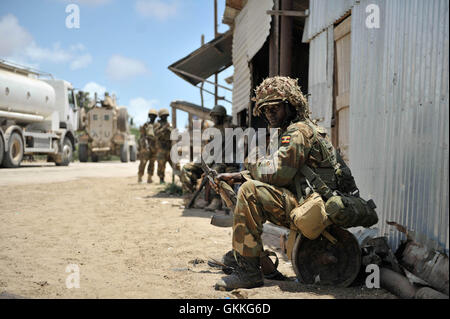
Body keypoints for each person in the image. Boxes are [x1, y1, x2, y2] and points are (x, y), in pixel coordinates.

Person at [211, 76, 357, 291]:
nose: (269, 114)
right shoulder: (291, 131)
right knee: (247, 185)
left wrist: (250, 162)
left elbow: (277, 174)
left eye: (275, 108)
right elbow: (277, 170)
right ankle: (245, 256)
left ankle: (249, 273)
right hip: (307, 201)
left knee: (250, 192)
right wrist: (238, 176)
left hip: (313, 206)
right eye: (265, 110)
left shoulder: (297, 133)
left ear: (291, 105)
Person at [155, 108, 180, 184]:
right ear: (160, 116)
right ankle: (161, 179)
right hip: (161, 149)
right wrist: (164, 128)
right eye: (163, 116)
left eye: (166, 116)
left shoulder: (170, 124)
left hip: (170, 148)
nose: (165, 117)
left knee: (176, 164)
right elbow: (156, 134)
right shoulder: (157, 124)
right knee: (161, 165)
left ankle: (182, 178)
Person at [137, 109, 158, 183]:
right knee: (143, 162)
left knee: (152, 163)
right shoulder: (145, 125)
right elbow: (142, 136)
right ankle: (140, 177)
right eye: (151, 116)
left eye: (154, 116)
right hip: (146, 147)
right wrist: (143, 146)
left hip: (154, 147)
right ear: (149, 116)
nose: (152, 117)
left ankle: (149, 178)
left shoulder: (157, 125)